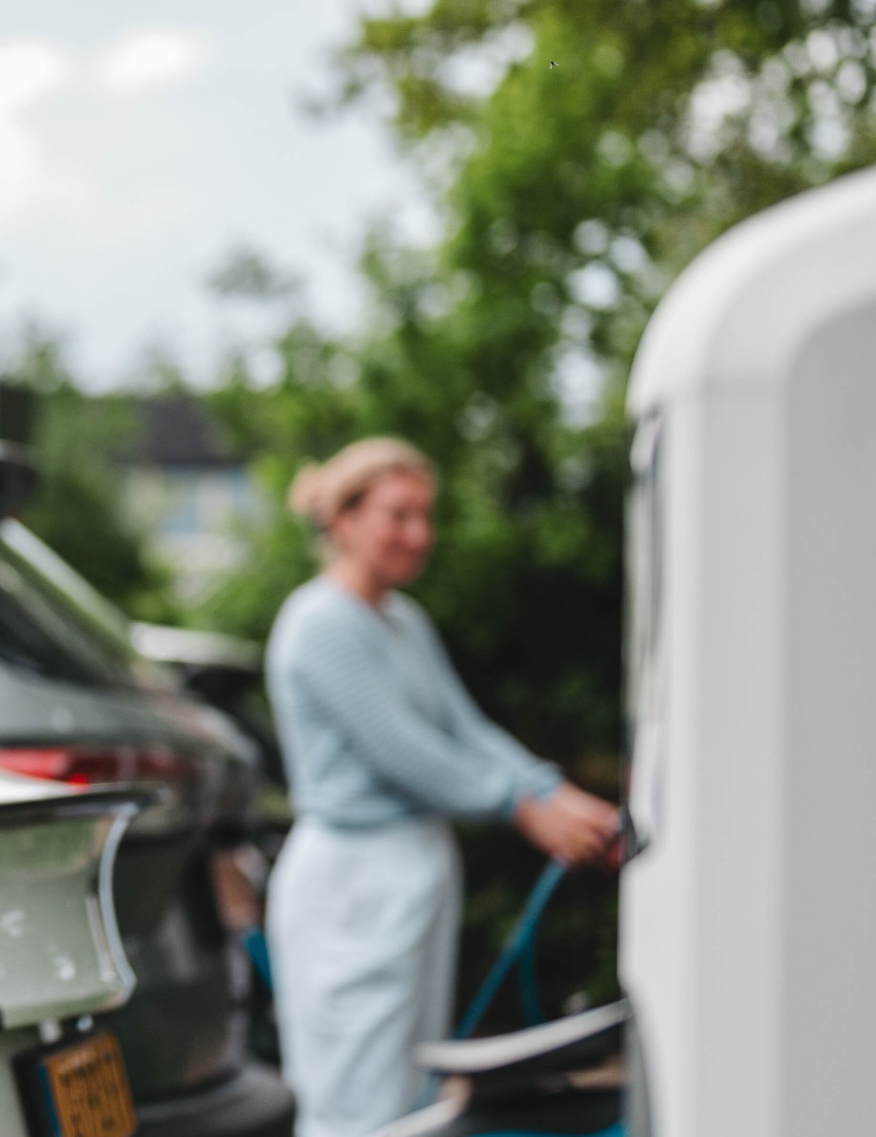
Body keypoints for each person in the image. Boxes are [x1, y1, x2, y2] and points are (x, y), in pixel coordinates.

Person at [262, 437, 623, 1137]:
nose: (420, 534)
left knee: (408, 1092)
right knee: (354, 1097)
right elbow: (407, 752)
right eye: (399, 515)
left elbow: (464, 730)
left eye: (426, 516)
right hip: (354, 883)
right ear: (344, 520)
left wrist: (551, 792)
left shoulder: (402, 620)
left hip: (408, 872)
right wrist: (523, 807)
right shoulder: (319, 624)